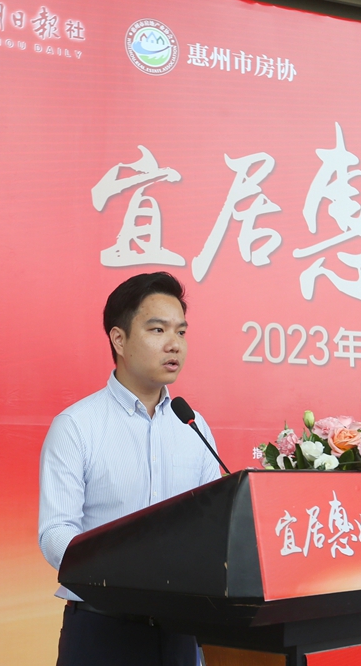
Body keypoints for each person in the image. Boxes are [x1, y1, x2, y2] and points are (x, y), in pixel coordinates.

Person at [38, 272, 221, 666]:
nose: (174, 344)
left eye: (181, 332)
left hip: (180, 629)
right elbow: (55, 532)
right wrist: (119, 574)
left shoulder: (193, 425)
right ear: (118, 339)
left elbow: (214, 526)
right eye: (158, 329)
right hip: (101, 628)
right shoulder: (77, 425)